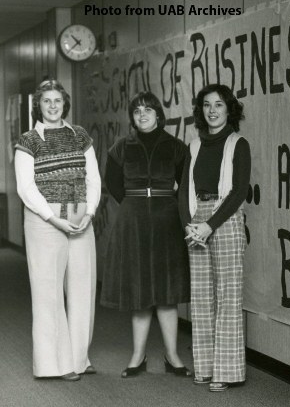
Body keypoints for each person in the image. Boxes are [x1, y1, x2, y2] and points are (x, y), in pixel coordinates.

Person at [15, 79, 101, 381]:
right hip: (44, 221)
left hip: (80, 218)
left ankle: (79, 357)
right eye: (46, 101)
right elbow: (25, 188)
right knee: (48, 292)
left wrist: (88, 213)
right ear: (38, 105)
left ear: (65, 104)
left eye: (58, 101)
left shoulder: (80, 136)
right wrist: (54, 218)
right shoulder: (28, 140)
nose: (52, 106)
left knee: (82, 290)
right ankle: (56, 364)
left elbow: (94, 180)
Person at [100, 91, 191, 378]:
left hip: (167, 220)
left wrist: (168, 205)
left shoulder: (176, 147)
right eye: (137, 111)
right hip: (133, 221)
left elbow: (186, 184)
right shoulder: (121, 147)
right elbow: (112, 184)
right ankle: (137, 357)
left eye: (148, 110)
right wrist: (134, 205)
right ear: (132, 117)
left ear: (158, 115)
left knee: (166, 292)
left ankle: (172, 356)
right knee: (138, 291)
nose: (142, 115)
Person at [178, 84, 251, 392]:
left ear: (228, 109)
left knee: (228, 297)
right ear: (201, 110)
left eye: (219, 105)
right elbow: (183, 190)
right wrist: (189, 225)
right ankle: (206, 368)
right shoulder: (194, 146)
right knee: (202, 297)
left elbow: (238, 192)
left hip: (226, 219)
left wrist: (210, 225)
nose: (212, 110)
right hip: (197, 220)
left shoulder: (238, 143)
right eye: (207, 105)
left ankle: (226, 371)